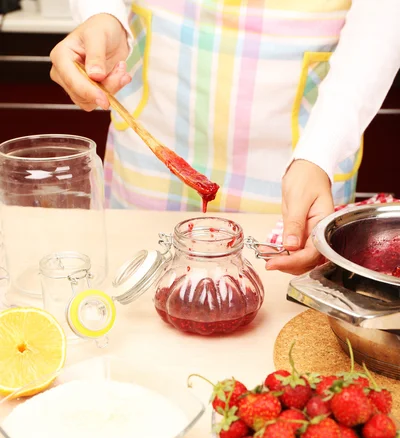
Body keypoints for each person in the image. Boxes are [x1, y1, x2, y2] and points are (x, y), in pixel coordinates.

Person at [50, 0, 400, 274]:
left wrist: (320, 153)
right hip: (154, 138)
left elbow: (381, 21)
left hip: (302, 148)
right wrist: (102, 14)